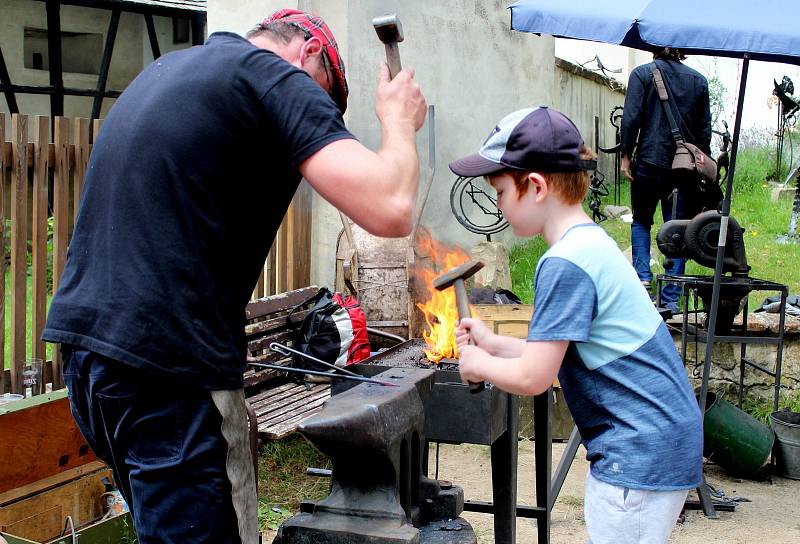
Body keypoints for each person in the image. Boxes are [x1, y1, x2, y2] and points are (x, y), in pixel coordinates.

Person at [42, 9, 426, 544]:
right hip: (168, 370)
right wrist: (399, 123)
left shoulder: (166, 72)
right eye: (325, 100)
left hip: (90, 364)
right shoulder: (275, 77)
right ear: (309, 53)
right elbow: (391, 207)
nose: (320, 114)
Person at [449, 107, 703, 544]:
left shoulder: (565, 263)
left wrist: (477, 365)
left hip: (636, 457)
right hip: (657, 443)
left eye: (500, 191)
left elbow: (533, 377)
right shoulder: (590, 243)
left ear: (536, 186)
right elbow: (554, 352)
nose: (497, 205)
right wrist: (492, 343)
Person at [620, 47, 712, 313]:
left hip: (649, 162)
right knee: (680, 229)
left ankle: (643, 284)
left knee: (641, 221)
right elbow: (704, 131)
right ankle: (671, 296)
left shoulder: (642, 75)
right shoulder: (699, 81)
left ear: (653, 50)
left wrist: (626, 155)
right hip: (683, 169)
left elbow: (631, 119)